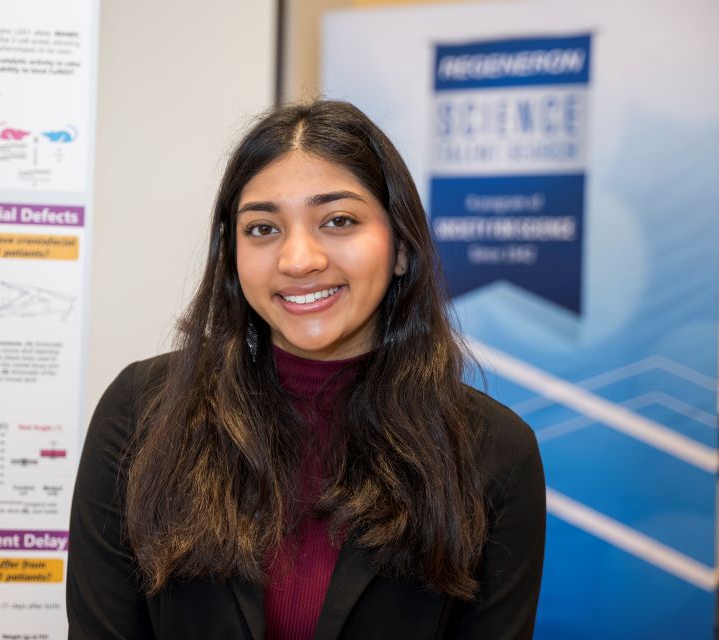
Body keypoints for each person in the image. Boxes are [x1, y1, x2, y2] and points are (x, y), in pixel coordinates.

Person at [67, 100, 545, 639]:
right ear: (231, 255)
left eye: (338, 220)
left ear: (401, 248)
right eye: (263, 228)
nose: (298, 260)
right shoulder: (142, 412)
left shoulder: (493, 451)